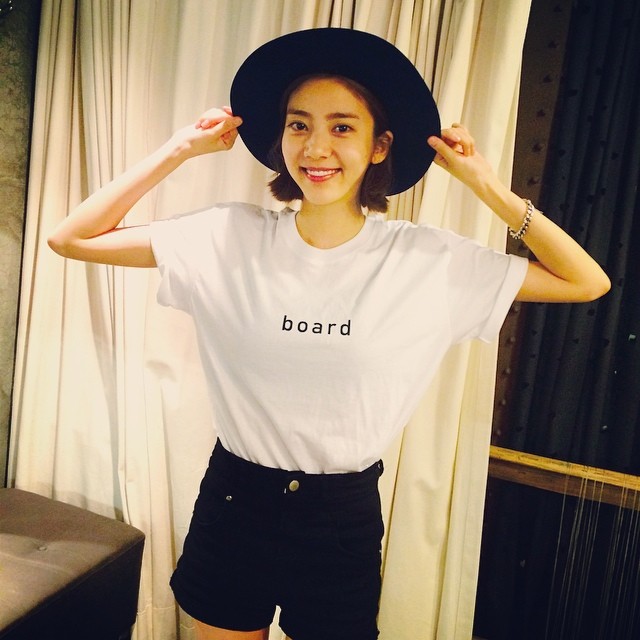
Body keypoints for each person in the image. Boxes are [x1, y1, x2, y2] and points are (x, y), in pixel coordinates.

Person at [47, 28, 609, 640]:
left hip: (340, 518)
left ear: (379, 145)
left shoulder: (427, 262)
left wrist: (487, 188)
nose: (316, 147)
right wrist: (179, 149)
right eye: (299, 125)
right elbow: (71, 238)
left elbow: (586, 281)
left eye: (342, 127)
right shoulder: (227, 238)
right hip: (236, 501)